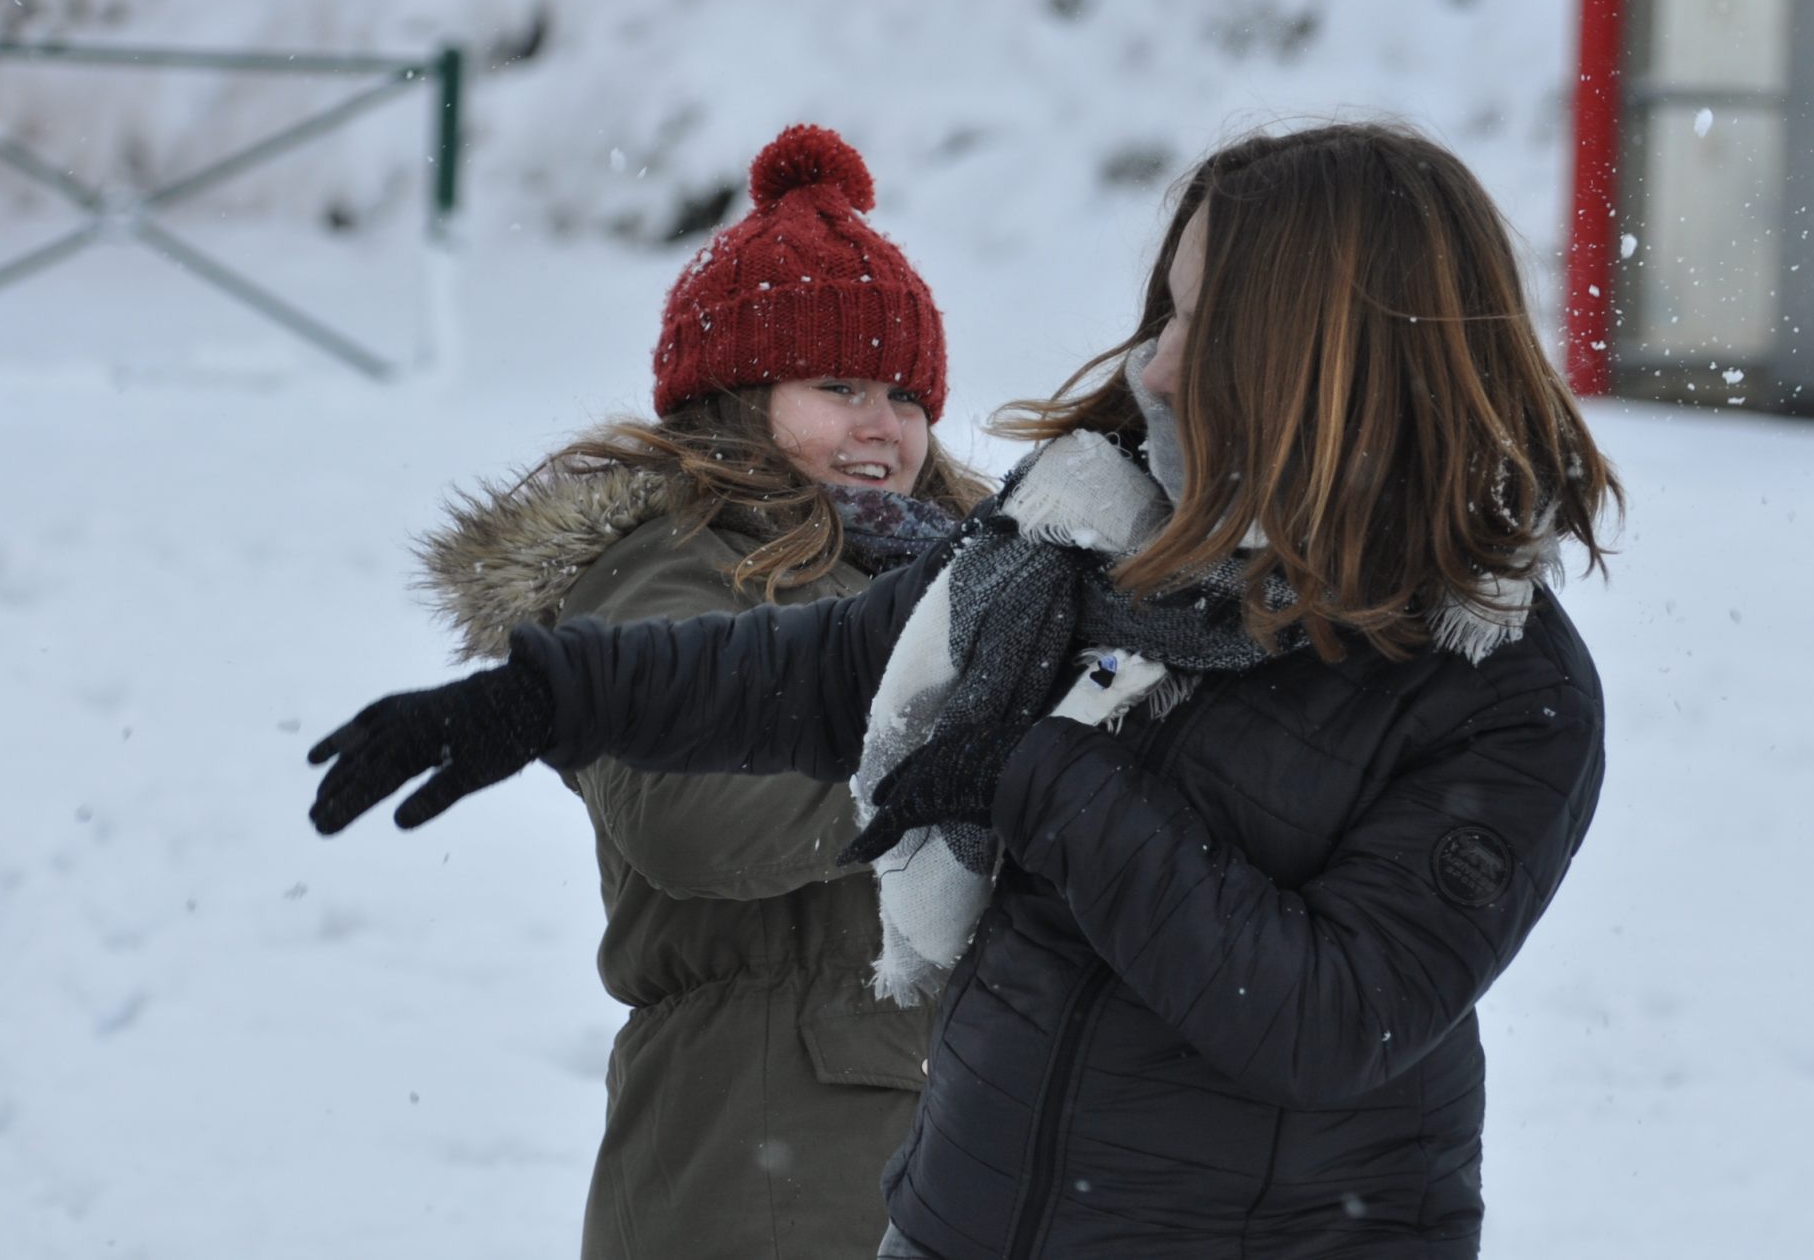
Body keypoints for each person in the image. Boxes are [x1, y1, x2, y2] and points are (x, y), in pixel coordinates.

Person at [313, 120, 1621, 1259]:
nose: (1154, 366)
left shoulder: (1498, 687)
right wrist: (556, 695)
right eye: (1160, 314)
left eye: (1202, 324)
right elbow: (832, 665)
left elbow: (1327, 1017)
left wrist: (1038, 778)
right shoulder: (1089, 546)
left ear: (1329, 356)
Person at [410, 123, 986, 1259]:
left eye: (903, 394)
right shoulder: (665, 566)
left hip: (934, 1135)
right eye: (836, 385)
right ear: (734, 397)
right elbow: (696, 813)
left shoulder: (952, 575)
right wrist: (962, 753)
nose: (882, 425)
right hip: (761, 1140)